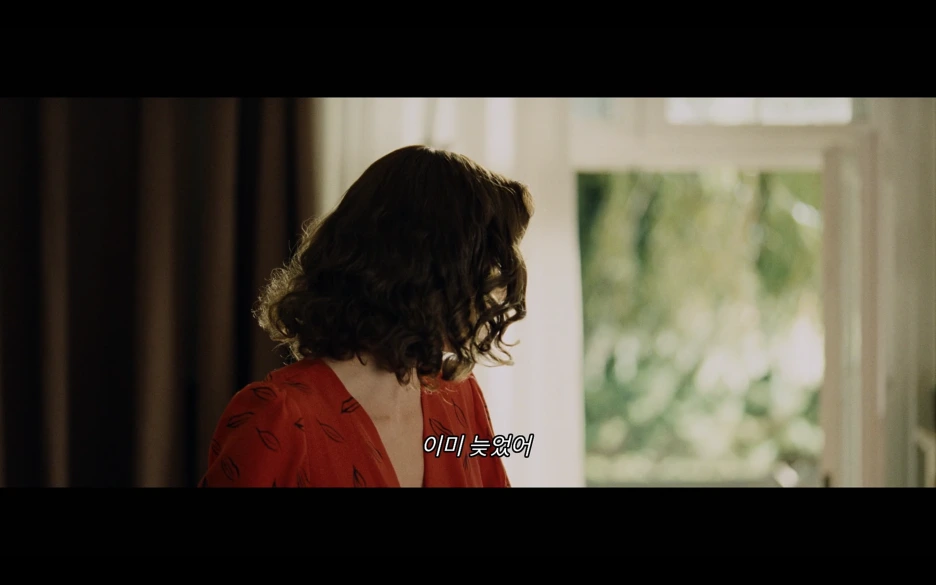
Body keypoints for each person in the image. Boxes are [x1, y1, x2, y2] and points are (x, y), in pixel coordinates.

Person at [199, 145, 533, 487]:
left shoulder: (458, 397)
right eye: (481, 273)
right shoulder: (278, 417)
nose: (490, 296)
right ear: (421, 271)